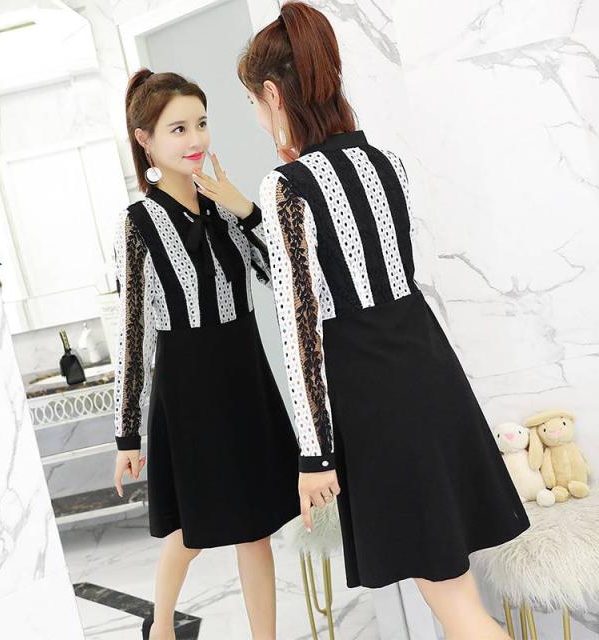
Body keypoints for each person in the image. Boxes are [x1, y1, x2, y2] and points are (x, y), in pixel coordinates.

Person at [210, 3, 531, 639]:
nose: (257, 116)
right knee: (454, 586)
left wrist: (314, 456)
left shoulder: (288, 186)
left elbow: (301, 331)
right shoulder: (386, 163)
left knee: (455, 605)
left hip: (375, 398)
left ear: (273, 94)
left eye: (253, 102)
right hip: (431, 372)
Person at [113, 69, 300, 640]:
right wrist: (126, 435)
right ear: (145, 140)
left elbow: (279, 272)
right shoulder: (138, 223)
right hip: (189, 385)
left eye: (201, 123)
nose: (195, 139)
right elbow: (133, 331)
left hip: (244, 374)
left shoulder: (223, 207)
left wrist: (246, 210)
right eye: (178, 128)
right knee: (191, 532)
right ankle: (161, 628)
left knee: (256, 527)